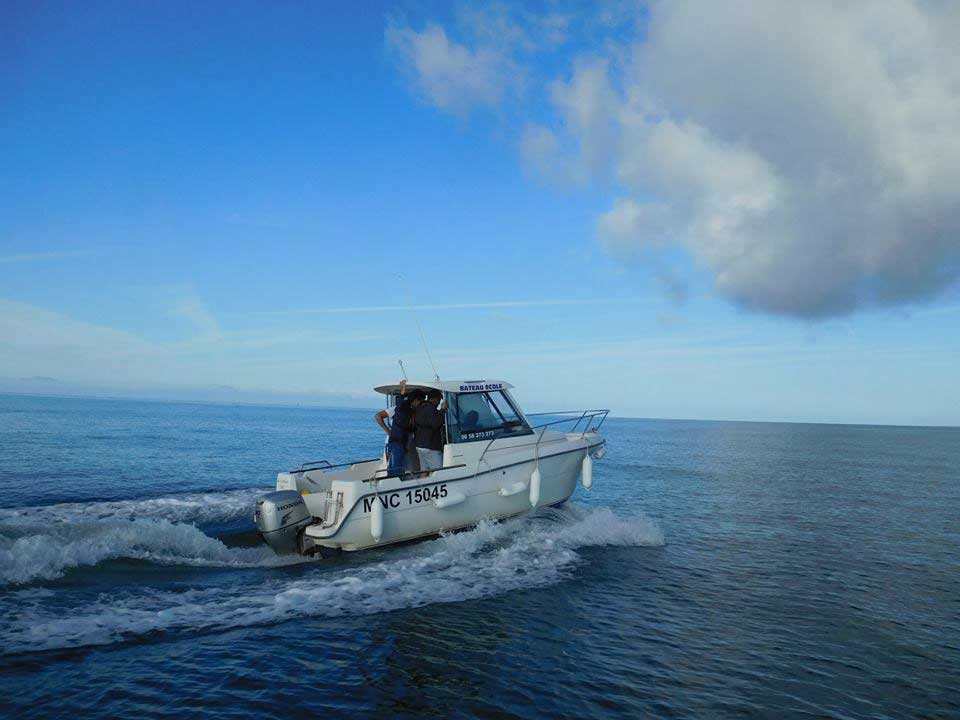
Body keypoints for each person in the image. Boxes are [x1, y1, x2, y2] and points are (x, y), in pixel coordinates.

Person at [374, 380, 413, 477]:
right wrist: (388, 431)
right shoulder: (397, 409)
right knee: (396, 465)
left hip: (403, 440)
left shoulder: (408, 410)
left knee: (400, 465)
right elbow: (378, 416)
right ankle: (396, 481)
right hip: (398, 440)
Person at [414, 389, 446, 472]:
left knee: (424, 470)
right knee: (439, 471)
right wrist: (443, 410)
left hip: (420, 445)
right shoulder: (430, 408)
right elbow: (436, 423)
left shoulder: (420, 407)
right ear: (435, 399)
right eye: (439, 400)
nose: (438, 403)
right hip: (430, 446)